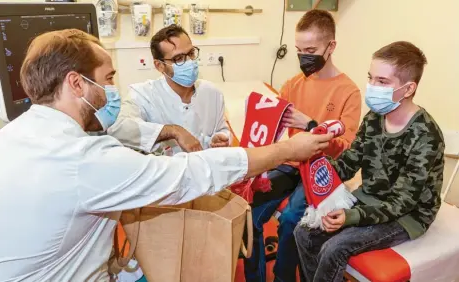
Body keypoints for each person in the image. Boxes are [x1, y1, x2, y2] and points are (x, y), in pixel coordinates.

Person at [0, 29, 333, 282]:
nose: (111, 92)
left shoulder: (9, 136)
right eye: (107, 79)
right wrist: (287, 150)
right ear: (76, 84)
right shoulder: (81, 158)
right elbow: (186, 174)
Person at [294, 41, 445, 282]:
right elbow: (350, 161)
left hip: (408, 215)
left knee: (335, 248)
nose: (372, 87)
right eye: (371, 78)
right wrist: (316, 167)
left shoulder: (425, 135)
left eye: (382, 82)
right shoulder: (374, 118)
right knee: (304, 233)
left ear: (408, 89)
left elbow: (402, 203)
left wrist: (350, 216)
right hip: (370, 199)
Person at [244, 10, 362, 282]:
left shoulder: (348, 92)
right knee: (247, 213)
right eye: (299, 50)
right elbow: (274, 132)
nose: (303, 57)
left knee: (290, 221)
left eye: (310, 49)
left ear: (331, 46)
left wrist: (311, 125)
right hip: (291, 163)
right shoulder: (292, 85)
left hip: (322, 170)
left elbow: (345, 150)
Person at [108, 25, 230, 155]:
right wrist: (173, 131)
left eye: (191, 53)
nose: (189, 62)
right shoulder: (143, 95)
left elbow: (222, 129)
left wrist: (221, 137)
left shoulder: (212, 93)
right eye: (178, 58)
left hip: (207, 170)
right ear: (159, 66)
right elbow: (118, 128)